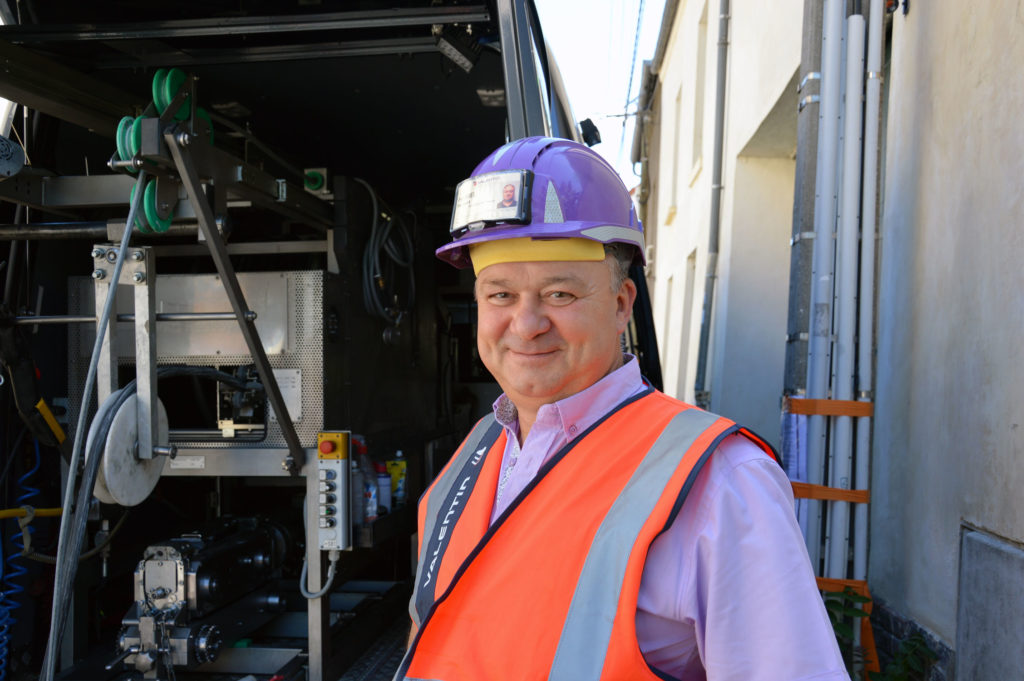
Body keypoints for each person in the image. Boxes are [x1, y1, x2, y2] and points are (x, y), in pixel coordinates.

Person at [396, 137, 848, 681]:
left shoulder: (722, 483)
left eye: (559, 294)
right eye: (500, 295)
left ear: (620, 305)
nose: (526, 323)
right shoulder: (474, 455)